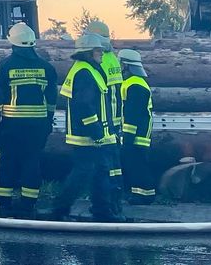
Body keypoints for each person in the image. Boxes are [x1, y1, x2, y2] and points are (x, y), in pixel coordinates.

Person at [0, 22, 58, 217]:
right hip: (38, 125)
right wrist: (49, 119)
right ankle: (29, 202)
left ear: (13, 43)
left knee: (6, 161)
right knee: (32, 161)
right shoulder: (47, 68)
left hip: (12, 123)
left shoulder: (6, 66)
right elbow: (52, 97)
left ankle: (1, 201)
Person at [51, 32, 122, 222]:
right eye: (98, 50)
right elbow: (84, 104)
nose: (101, 53)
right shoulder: (84, 72)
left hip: (93, 133)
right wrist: (95, 130)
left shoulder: (87, 69)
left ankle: (102, 210)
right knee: (83, 172)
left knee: (99, 170)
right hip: (86, 135)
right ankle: (60, 209)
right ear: (89, 52)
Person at [85, 19, 124, 215]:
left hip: (104, 122)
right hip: (115, 121)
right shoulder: (113, 58)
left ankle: (104, 206)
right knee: (114, 166)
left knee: (103, 168)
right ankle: (116, 204)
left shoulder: (98, 60)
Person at [119, 49, 156, 204]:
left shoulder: (136, 85)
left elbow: (133, 114)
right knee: (133, 163)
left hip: (137, 133)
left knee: (138, 164)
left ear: (126, 65)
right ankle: (137, 193)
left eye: (120, 63)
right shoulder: (132, 83)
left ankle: (146, 195)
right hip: (134, 132)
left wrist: (127, 137)